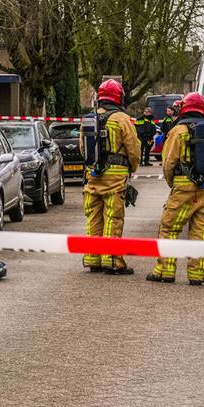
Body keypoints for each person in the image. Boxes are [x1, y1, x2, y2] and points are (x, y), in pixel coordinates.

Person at [148, 92, 204, 286]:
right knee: (201, 231)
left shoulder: (178, 131)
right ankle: (196, 275)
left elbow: (168, 162)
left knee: (170, 228)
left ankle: (165, 271)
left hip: (183, 187)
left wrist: (174, 183)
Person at [81, 79, 141, 275]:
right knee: (113, 218)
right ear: (119, 97)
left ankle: (93, 258)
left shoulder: (88, 119)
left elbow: (83, 148)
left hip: (92, 176)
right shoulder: (122, 119)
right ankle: (112, 261)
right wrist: (132, 168)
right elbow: (133, 149)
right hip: (115, 178)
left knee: (94, 218)